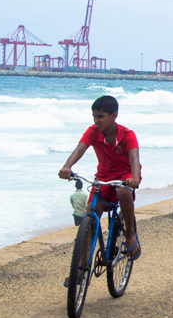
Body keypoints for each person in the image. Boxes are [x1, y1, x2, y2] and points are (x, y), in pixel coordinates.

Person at [59, 95, 142, 278]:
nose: (96, 121)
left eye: (101, 116)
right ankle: (80, 270)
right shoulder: (93, 132)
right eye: (94, 116)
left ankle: (129, 234)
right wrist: (67, 166)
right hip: (104, 176)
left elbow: (134, 158)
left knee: (123, 191)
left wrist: (134, 178)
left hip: (126, 175)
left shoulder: (127, 135)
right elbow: (79, 149)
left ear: (114, 115)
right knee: (91, 215)